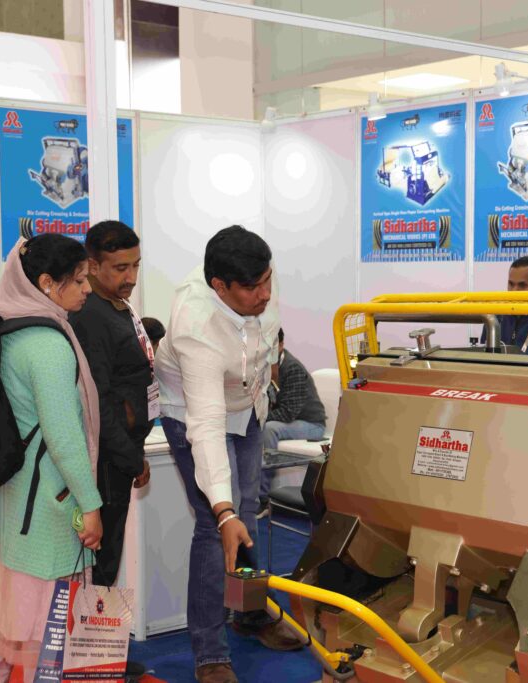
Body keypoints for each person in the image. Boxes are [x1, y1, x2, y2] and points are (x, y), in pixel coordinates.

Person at [155, 226, 301, 683]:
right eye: (253, 287)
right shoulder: (195, 328)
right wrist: (222, 510)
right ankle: (210, 653)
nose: (265, 293)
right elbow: (205, 426)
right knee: (216, 527)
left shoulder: (258, 284)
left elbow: (267, 341)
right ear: (219, 286)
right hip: (193, 414)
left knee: (249, 514)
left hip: (248, 406)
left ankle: (250, 615)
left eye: (268, 280)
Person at [0, 235, 103, 683]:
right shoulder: (48, 346)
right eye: (79, 280)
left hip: (16, 501)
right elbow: (64, 437)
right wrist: (91, 505)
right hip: (48, 506)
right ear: (48, 283)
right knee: (45, 633)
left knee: (7, 619)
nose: (87, 288)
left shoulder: (8, 327)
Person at [69, 221, 153, 590]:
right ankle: (89, 629)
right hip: (105, 458)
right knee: (100, 562)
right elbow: (96, 400)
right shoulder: (91, 315)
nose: (131, 276)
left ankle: (94, 628)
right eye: (121, 268)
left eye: (135, 265)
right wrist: (129, 457)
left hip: (120, 451)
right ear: (92, 265)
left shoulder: (115, 305)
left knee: (107, 558)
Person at [259, 328, 326, 509]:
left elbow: (288, 413)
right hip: (291, 420)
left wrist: (258, 418)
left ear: (281, 345)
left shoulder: (292, 368)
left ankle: (262, 497)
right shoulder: (262, 368)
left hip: (312, 424)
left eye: (272, 345)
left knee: (268, 428)